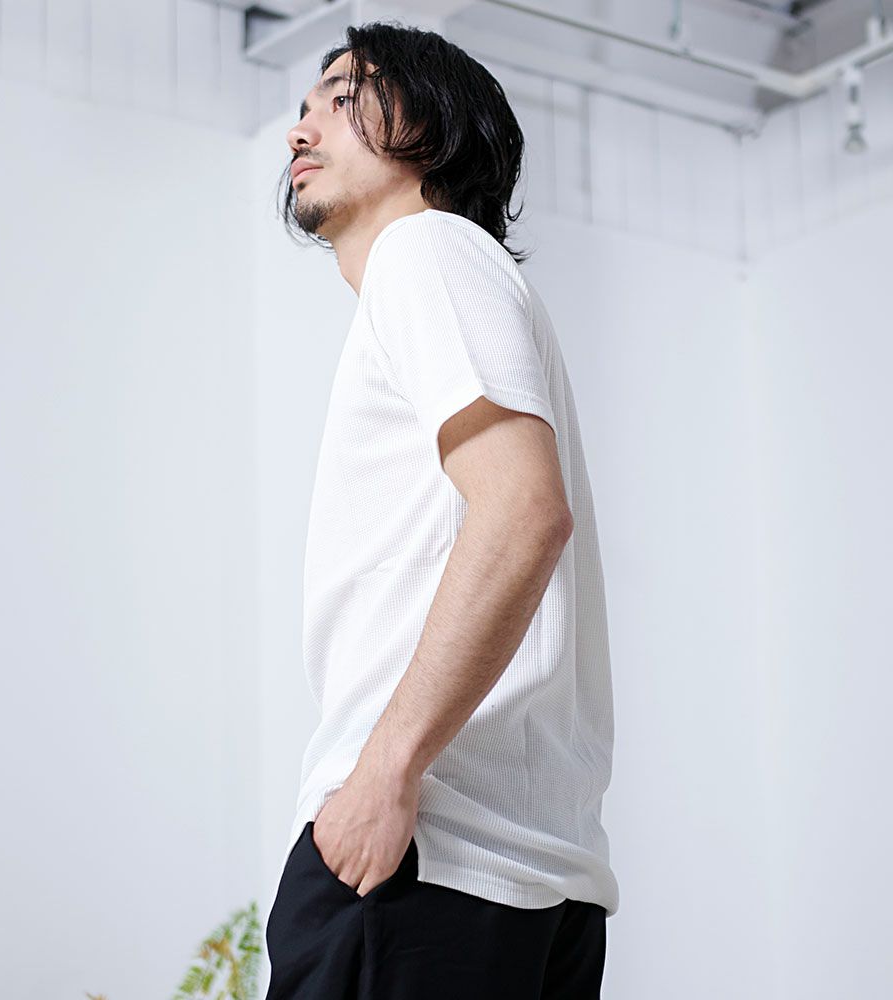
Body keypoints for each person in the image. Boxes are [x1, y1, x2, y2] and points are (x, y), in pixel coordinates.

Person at [264, 20, 618, 1000]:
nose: (300, 129)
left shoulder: (426, 251)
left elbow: (523, 513)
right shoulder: (454, 278)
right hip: (519, 870)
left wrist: (384, 772)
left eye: (343, 97)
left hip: (421, 851)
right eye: (302, 107)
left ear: (430, 123)